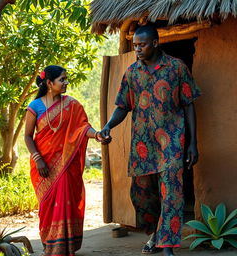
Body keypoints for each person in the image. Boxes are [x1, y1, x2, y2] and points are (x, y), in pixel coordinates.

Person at [100, 24, 201, 256]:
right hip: (143, 146)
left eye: (142, 45)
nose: (137, 49)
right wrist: (107, 125)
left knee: (172, 192)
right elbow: (122, 107)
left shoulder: (176, 67)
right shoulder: (132, 72)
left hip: (172, 143)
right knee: (143, 195)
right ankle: (155, 234)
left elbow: (189, 104)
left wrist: (193, 143)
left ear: (155, 43)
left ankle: (168, 246)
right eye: (135, 45)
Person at [24, 65, 109, 256]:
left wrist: (97, 135)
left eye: (66, 79)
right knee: (47, 205)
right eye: (62, 79)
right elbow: (28, 136)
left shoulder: (72, 104)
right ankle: (49, 243)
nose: (66, 83)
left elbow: (81, 128)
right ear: (49, 83)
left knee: (67, 200)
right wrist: (38, 160)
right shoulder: (34, 107)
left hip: (65, 164)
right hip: (43, 165)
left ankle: (65, 245)